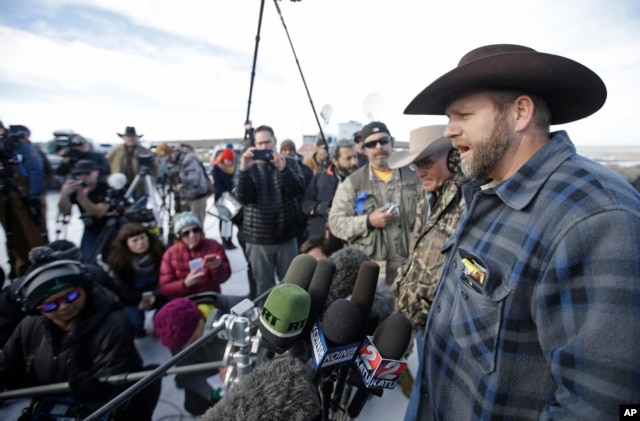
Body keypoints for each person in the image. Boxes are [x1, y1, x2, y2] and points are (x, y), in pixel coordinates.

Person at [403, 44, 640, 420]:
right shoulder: (487, 191)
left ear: (520, 113)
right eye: (449, 118)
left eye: (463, 114)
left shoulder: (595, 217)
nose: (449, 130)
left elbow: (604, 407)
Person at [0, 259, 160, 419]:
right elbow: (7, 365)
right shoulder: (29, 326)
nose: (63, 306)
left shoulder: (114, 324)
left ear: (84, 287)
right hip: (47, 405)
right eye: (50, 305)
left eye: (71, 296)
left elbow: (113, 384)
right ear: (36, 309)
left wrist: (96, 390)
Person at [386, 125, 466, 399]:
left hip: (446, 324)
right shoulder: (428, 195)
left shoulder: (471, 200)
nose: (419, 172)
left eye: (427, 163)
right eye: (416, 166)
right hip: (419, 318)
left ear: (454, 158)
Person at [328, 121, 419, 285]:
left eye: (383, 141)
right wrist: (368, 221)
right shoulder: (352, 183)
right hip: (374, 272)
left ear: (391, 142)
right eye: (371, 144)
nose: (379, 147)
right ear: (364, 150)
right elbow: (335, 222)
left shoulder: (415, 175)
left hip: (411, 267)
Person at [234, 125, 306, 296]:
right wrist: (243, 170)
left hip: (286, 236)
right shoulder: (248, 166)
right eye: (260, 144)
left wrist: (283, 170)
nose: (264, 147)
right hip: (258, 238)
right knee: (264, 289)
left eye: (267, 142)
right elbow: (244, 198)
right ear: (254, 145)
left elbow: (297, 190)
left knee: (291, 285)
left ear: (274, 142)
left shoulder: (290, 163)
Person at [153, 295, 243, 416]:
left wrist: (241, 365)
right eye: (187, 348)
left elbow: (267, 348)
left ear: (200, 318)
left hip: (246, 365)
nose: (194, 347)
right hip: (216, 376)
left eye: (195, 339)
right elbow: (187, 373)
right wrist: (211, 391)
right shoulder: (176, 339)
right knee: (194, 404)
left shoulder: (235, 310)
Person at [0, 124, 47, 278]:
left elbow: (36, 171)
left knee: (34, 235)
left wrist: (33, 196)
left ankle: (42, 267)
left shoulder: (18, 146)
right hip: (5, 198)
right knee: (13, 237)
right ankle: (19, 268)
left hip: (23, 198)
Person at [106, 222, 169, 337]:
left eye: (142, 238)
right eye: (134, 240)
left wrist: (155, 296)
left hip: (159, 294)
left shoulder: (161, 254)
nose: (140, 243)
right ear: (126, 244)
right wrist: (139, 300)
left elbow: (169, 281)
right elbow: (122, 293)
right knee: (133, 324)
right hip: (134, 300)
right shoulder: (119, 264)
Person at [302, 138, 358, 253]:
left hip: (351, 242)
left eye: (355, 157)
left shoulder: (361, 180)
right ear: (335, 160)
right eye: (348, 158)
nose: (354, 162)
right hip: (322, 241)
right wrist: (318, 208)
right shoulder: (319, 178)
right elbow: (306, 204)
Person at [159, 211, 231, 298]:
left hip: (209, 297)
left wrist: (217, 267)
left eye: (195, 230)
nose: (192, 235)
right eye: (186, 233)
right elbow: (164, 288)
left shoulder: (213, 245)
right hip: (183, 300)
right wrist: (185, 284)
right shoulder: (170, 254)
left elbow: (223, 278)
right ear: (179, 236)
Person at [58, 159, 110, 261]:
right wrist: (64, 195)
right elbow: (65, 211)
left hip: (109, 227)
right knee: (86, 259)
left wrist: (82, 198)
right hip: (91, 229)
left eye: (87, 173)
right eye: (79, 174)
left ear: (96, 173)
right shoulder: (76, 188)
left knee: (111, 258)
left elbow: (98, 212)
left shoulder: (104, 187)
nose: (83, 177)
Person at [156, 142, 211, 226]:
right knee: (180, 225)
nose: (168, 161)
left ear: (172, 153)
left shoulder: (189, 158)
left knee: (196, 226)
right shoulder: (170, 163)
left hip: (196, 197)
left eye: (168, 158)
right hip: (181, 197)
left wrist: (179, 180)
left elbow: (194, 179)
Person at [106, 126, 157, 199]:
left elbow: (154, 167)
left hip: (139, 185)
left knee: (140, 207)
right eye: (128, 137)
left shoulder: (145, 151)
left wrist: (152, 181)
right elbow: (106, 163)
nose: (131, 139)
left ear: (136, 138)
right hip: (120, 185)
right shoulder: (115, 151)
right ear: (124, 138)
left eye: (133, 137)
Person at [212, 145, 238, 250]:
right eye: (228, 160)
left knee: (230, 221)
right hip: (221, 197)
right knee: (224, 220)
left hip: (231, 198)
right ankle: (224, 240)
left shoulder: (232, 169)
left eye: (231, 161)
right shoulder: (217, 168)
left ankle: (229, 239)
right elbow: (217, 184)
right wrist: (223, 194)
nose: (229, 163)